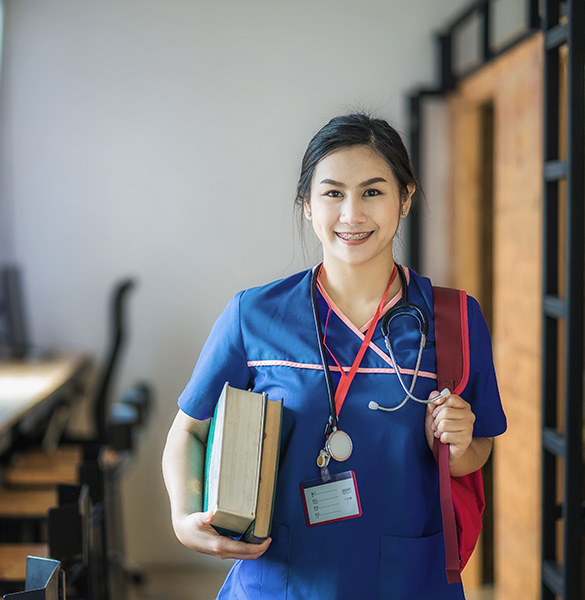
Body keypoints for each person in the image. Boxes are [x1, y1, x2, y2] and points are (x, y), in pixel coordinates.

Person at [161, 113, 507, 599]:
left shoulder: (454, 318)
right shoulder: (253, 315)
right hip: (280, 581)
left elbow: (477, 453)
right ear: (307, 203)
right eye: (332, 193)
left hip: (406, 581)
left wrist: (458, 444)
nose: (352, 214)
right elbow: (188, 430)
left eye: (372, 191)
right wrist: (182, 516)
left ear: (404, 198)